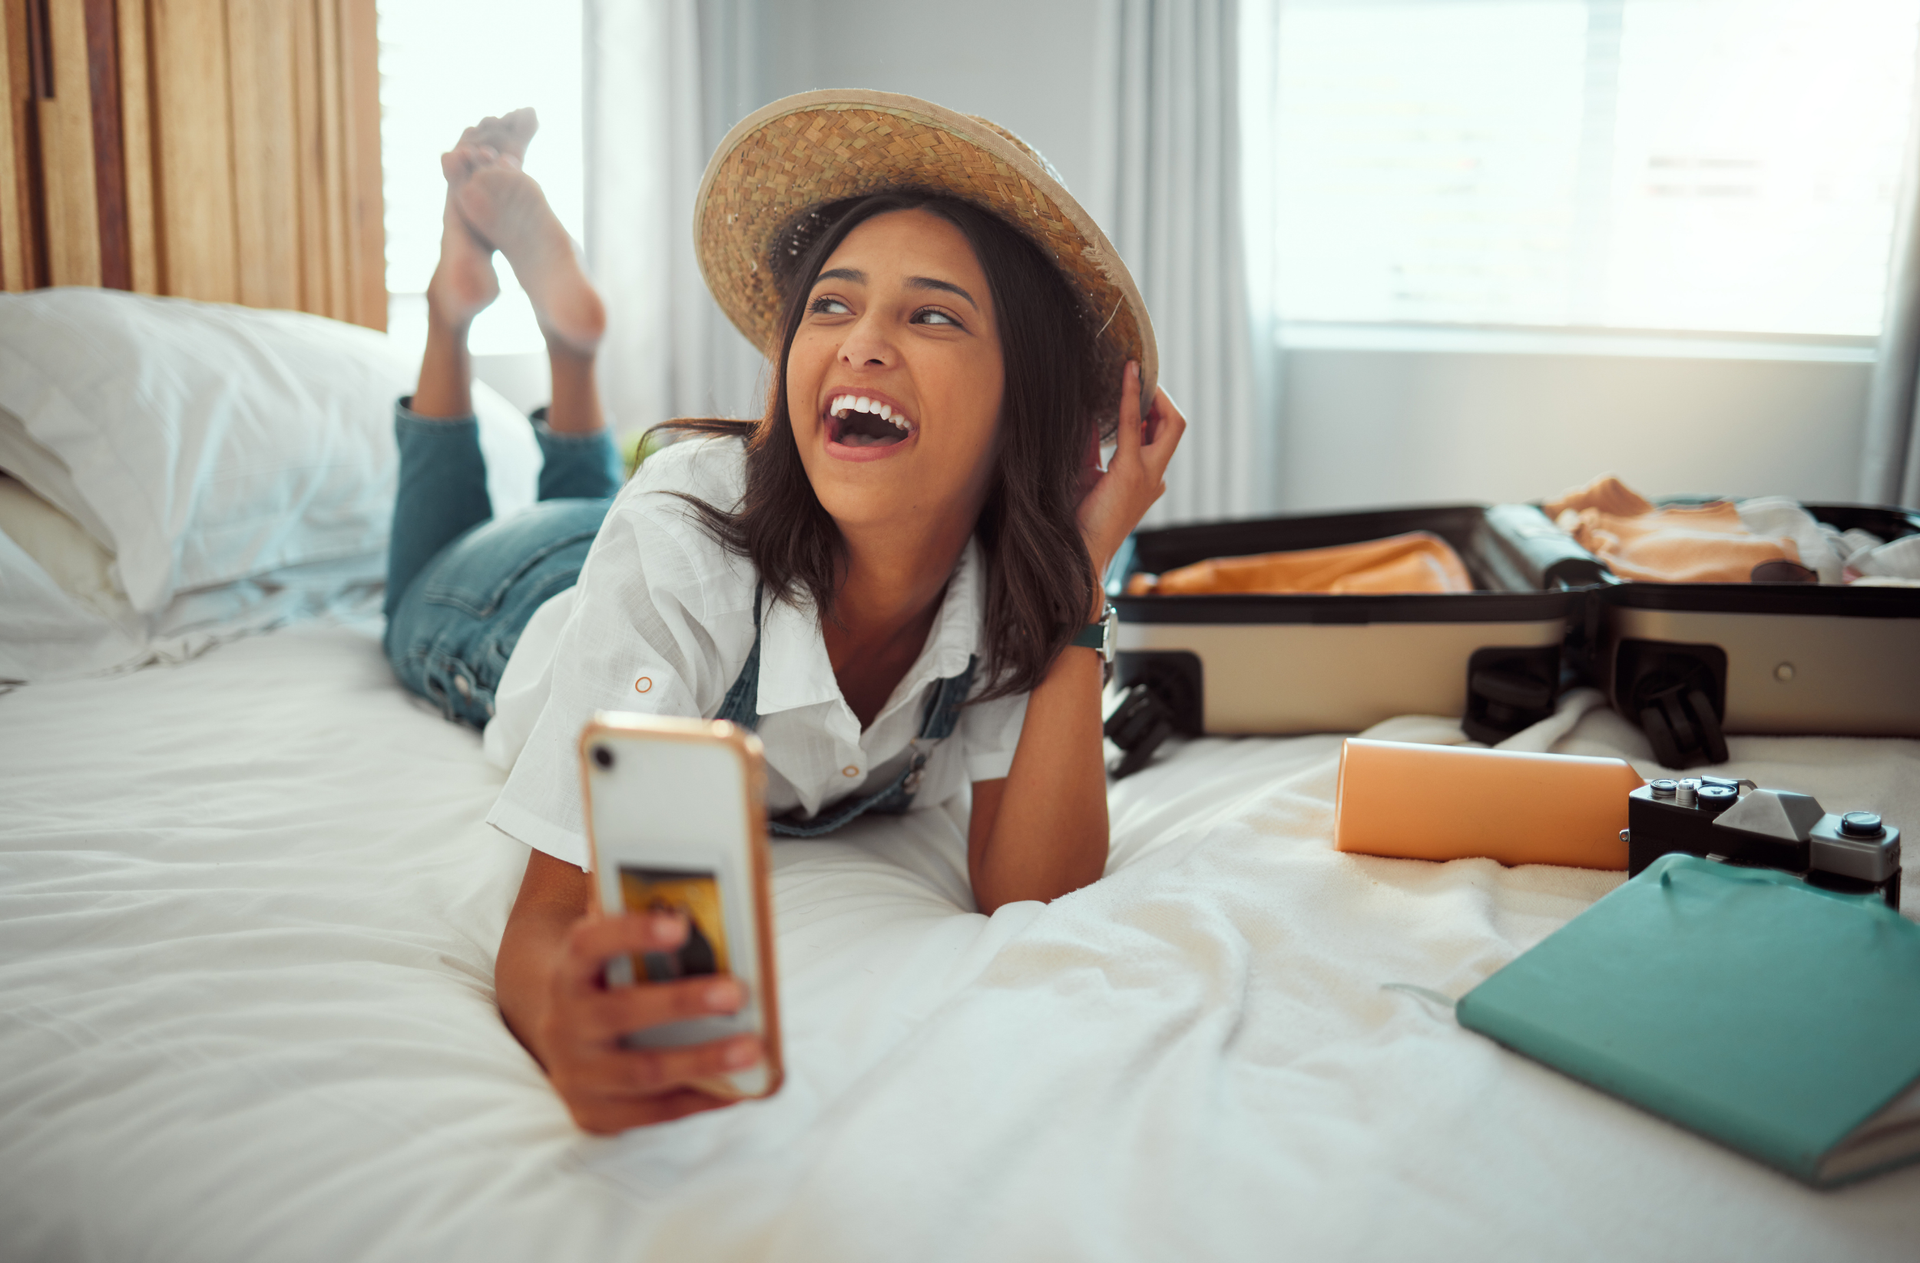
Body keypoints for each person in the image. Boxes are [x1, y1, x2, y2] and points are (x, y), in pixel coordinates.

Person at [383, 93, 1185, 1134]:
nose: (863, 344)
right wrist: (570, 1025)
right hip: (517, 602)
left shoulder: (1010, 587)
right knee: (413, 590)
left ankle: (571, 356)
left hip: (640, 541)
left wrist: (1084, 571)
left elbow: (1031, 884)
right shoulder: (684, 527)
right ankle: (457, 320)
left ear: (1018, 406)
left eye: (933, 314)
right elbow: (546, 925)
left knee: (598, 507)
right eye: (831, 306)